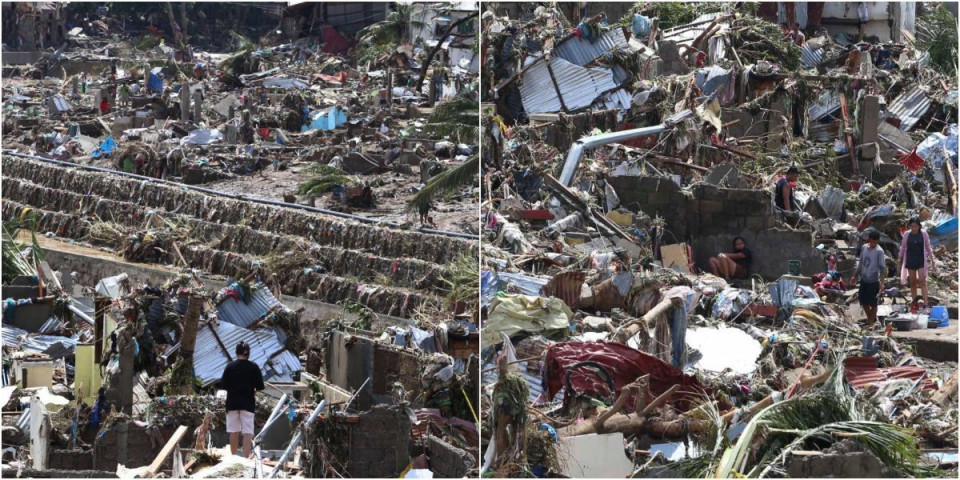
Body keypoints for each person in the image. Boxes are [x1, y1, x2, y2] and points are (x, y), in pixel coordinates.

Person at [220, 341, 264, 457]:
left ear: (236, 353)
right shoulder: (254, 367)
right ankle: (245, 458)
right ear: (248, 353)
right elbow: (260, 386)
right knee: (247, 432)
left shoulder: (230, 367)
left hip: (232, 403)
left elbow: (223, 386)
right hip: (248, 403)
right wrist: (253, 390)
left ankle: (234, 457)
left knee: (233, 431)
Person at [898, 217, 934, 307]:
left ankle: (926, 303)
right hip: (910, 259)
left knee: (922, 281)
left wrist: (932, 258)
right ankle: (914, 302)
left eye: (915, 226)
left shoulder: (924, 234)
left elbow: (928, 246)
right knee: (912, 282)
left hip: (921, 259)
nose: (914, 228)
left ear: (919, 226)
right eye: (912, 226)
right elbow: (903, 247)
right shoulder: (907, 234)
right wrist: (899, 259)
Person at [852, 230, 886, 327]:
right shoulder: (864, 247)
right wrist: (855, 276)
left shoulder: (879, 251)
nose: (873, 244)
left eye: (875, 242)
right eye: (871, 241)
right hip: (864, 278)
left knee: (873, 303)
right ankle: (871, 320)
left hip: (873, 280)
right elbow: (860, 263)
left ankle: (871, 323)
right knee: (863, 301)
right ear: (869, 239)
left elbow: (882, 269)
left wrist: (882, 283)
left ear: (877, 241)